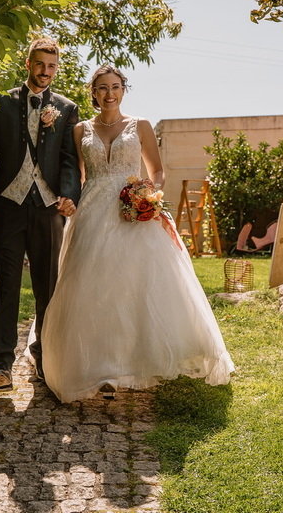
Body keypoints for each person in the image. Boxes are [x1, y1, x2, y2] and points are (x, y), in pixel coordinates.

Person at [41, 65, 234, 403]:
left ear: (124, 89)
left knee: (136, 283)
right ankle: (100, 366)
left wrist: (148, 194)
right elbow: (77, 175)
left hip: (133, 210)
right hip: (93, 212)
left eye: (116, 86)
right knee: (92, 285)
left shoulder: (140, 125)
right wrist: (68, 199)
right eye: (103, 88)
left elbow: (157, 170)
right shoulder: (80, 129)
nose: (110, 94)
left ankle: (134, 361)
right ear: (93, 92)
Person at [0, 37, 81, 391]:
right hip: (9, 206)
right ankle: (1, 365)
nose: (45, 72)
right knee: (8, 289)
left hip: (48, 209)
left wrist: (68, 195)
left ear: (56, 68)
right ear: (28, 63)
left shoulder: (66, 108)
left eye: (52, 66)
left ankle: (43, 360)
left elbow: (69, 160)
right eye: (40, 64)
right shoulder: (1, 103)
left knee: (48, 290)